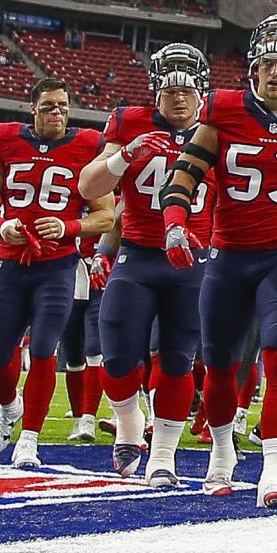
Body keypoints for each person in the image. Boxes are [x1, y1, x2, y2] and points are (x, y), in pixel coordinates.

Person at [162, 15, 277, 508]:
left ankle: (273, 470)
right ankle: (221, 457)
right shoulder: (221, 110)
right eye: (265, 63)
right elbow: (184, 175)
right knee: (222, 367)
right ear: (253, 69)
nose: (273, 72)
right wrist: (176, 223)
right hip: (227, 258)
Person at [76, 43, 212, 483]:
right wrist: (124, 154)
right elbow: (87, 184)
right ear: (155, 90)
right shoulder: (129, 122)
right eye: (169, 90)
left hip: (193, 260)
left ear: (201, 93)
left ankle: (164, 456)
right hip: (137, 253)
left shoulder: (218, 128)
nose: (178, 99)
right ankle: (130, 423)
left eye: (186, 91)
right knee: (116, 358)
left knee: (176, 360)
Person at [0, 80, 114, 467]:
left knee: (45, 350)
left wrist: (69, 228)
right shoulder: (4, 141)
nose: (57, 113)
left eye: (63, 106)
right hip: (10, 263)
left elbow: (106, 214)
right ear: (32, 108)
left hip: (57, 265)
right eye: (49, 106)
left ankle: (29, 439)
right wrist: (0, 225)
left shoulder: (86, 146)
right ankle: (9, 405)